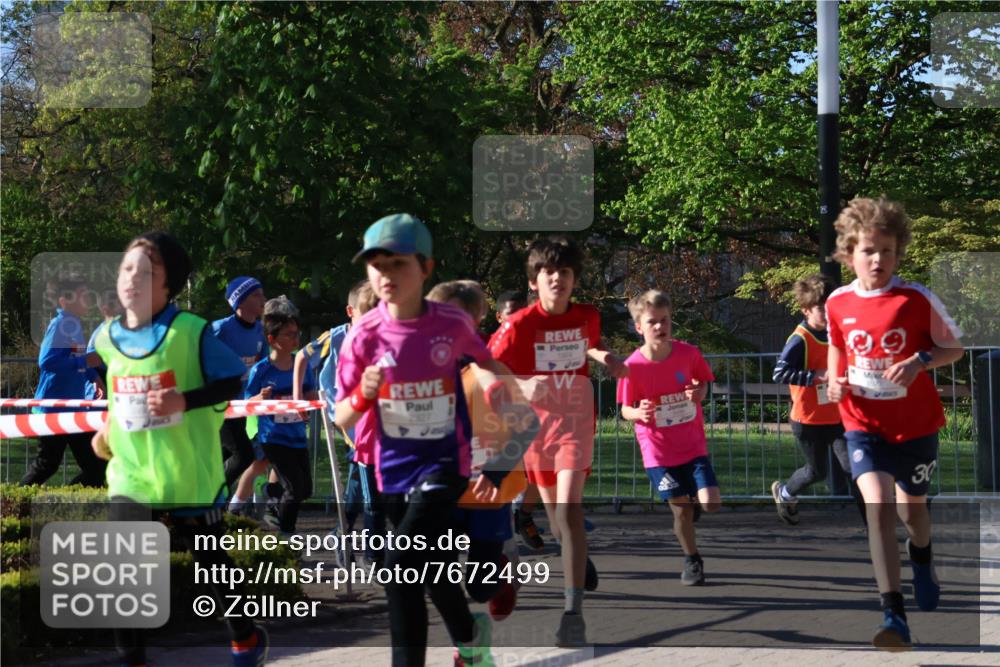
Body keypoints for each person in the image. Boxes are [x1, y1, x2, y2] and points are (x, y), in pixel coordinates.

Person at [334, 214, 533, 666]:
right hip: (392, 475)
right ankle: (470, 638)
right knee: (431, 572)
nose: (385, 276)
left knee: (400, 568)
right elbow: (341, 415)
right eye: (376, 266)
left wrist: (500, 391)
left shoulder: (449, 323)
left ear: (425, 268)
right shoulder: (362, 336)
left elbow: (484, 362)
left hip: (445, 466)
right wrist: (363, 395)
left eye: (397, 264)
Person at [90, 231, 267, 666]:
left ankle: (245, 638)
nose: (132, 277)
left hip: (186, 473)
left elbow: (232, 382)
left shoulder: (193, 332)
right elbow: (116, 388)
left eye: (147, 271)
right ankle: (132, 658)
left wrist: (183, 401)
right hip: (131, 474)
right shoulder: (106, 337)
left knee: (211, 565)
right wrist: (108, 426)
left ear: (170, 285)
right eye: (127, 268)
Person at [825, 198, 964, 651]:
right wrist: (833, 381)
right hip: (863, 423)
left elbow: (954, 349)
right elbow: (838, 348)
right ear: (849, 254)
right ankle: (893, 613)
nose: (878, 259)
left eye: (886, 250)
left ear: (898, 252)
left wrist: (920, 360)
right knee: (879, 504)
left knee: (913, 513)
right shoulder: (838, 301)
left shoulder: (915, 297)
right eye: (868, 250)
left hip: (916, 425)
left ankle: (921, 558)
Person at [488, 235, 628, 646]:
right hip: (535, 431)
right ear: (535, 281)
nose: (557, 279)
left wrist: (608, 359)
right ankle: (576, 554)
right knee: (556, 522)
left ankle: (573, 613)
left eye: (564, 272)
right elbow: (484, 369)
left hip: (575, 424)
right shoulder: (519, 325)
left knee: (568, 513)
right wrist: (521, 384)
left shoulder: (588, 315)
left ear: (574, 279)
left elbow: (592, 345)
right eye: (548, 272)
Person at [428, 280, 532, 624]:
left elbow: (528, 426)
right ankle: (465, 637)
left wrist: (497, 470)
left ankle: (499, 574)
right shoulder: (421, 372)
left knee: (480, 588)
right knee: (433, 574)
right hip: (441, 492)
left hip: (486, 492)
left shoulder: (490, 372)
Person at [617, 290, 719, 585]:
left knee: (711, 504)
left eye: (665, 320)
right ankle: (692, 559)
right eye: (653, 322)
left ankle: (697, 502)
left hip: (691, 444)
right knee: (681, 512)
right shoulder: (632, 367)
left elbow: (703, 385)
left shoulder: (689, 353)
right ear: (639, 327)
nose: (660, 327)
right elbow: (625, 410)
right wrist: (640, 414)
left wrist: (698, 393)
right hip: (658, 451)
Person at [770, 275, 853, 524]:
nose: (828, 313)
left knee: (852, 467)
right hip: (808, 420)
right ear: (806, 310)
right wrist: (814, 376)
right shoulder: (800, 339)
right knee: (816, 472)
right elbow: (778, 373)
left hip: (838, 416)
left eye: (831, 306)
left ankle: (876, 519)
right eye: (821, 308)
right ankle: (784, 493)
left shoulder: (838, 333)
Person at [21, 272, 106, 487]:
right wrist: (85, 362)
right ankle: (11, 508)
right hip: (53, 410)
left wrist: (94, 377)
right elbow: (47, 361)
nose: (88, 299)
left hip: (73, 410)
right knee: (47, 464)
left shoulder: (74, 325)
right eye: (82, 294)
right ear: (65, 300)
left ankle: (66, 505)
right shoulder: (60, 324)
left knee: (96, 468)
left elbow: (78, 358)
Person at [243, 296, 316, 535]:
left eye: (297, 333)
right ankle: (286, 535)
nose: (296, 339)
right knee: (295, 490)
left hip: (297, 435)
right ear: (272, 340)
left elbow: (310, 391)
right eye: (289, 334)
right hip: (273, 438)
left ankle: (269, 495)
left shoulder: (301, 364)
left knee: (306, 491)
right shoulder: (261, 370)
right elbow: (246, 402)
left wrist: (309, 401)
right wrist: (259, 399)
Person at [494, 289, 545, 550]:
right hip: (504, 418)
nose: (518, 318)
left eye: (522, 312)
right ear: (499, 316)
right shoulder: (496, 343)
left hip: (537, 416)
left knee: (539, 474)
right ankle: (502, 535)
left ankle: (523, 514)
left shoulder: (535, 341)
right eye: (511, 313)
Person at [212, 276, 267, 490]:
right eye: (256, 295)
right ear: (240, 301)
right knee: (243, 455)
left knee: (220, 455)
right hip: (220, 407)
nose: (263, 298)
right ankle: (213, 495)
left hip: (242, 406)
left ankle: (209, 502)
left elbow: (261, 367)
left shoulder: (260, 331)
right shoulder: (219, 329)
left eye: (262, 293)